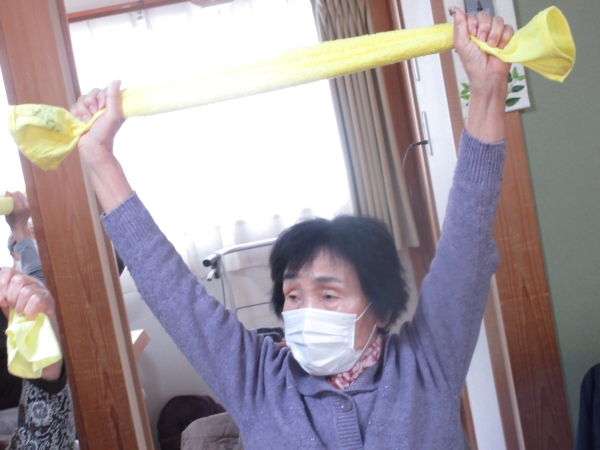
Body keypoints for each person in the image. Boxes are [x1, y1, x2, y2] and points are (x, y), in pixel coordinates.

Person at [72, 8, 512, 448]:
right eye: (294, 297)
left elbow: (466, 245)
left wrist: (488, 90)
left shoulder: (426, 363)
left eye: (329, 295)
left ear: (379, 309)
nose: (306, 313)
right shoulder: (257, 381)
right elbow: (170, 291)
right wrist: (98, 157)